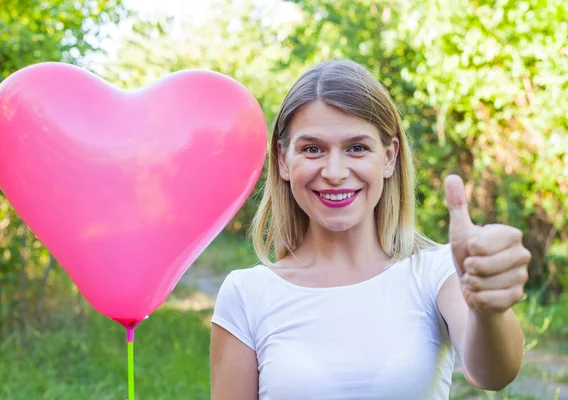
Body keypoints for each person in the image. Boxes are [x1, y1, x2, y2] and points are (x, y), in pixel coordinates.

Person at [209, 59, 531, 399]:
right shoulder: (246, 294)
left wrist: (490, 308)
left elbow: (494, 374)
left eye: (357, 148)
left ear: (389, 157)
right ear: (284, 160)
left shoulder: (435, 272)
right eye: (313, 149)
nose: (334, 171)